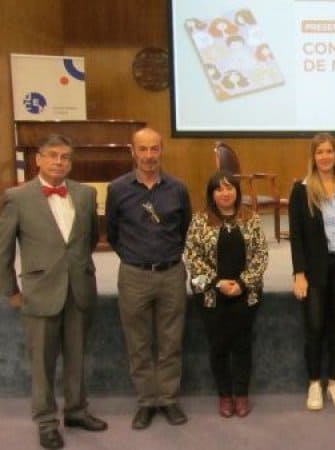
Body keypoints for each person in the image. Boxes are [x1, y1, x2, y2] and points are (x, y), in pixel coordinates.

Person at [0, 134, 107, 449]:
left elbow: (90, 239)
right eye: (53, 155)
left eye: (65, 156)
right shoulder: (17, 197)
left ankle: (76, 411)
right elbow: (1, 249)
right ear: (38, 159)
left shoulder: (85, 195)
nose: (59, 162)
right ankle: (45, 422)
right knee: (42, 363)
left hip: (79, 288)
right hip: (40, 292)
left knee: (76, 356)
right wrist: (10, 290)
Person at [105, 127, 192, 430]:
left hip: (171, 273)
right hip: (134, 274)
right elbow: (112, 232)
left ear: (161, 150)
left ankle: (168, 399)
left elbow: (185, 228)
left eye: (154, 148)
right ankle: (146, 401)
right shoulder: (118, 189)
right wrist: (134, 257)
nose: (149, 155)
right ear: (133, 152)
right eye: (142, 149)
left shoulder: (178, 188)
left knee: (171, 341)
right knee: (138, 342)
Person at [288, 132, 335, 411]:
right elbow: (296, 236)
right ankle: (314, 383)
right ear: (313, 156)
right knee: (315, 326)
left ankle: (334, 381)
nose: (324, 156)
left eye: (329, 151)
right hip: (314, 270)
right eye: (319, 152)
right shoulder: (301, 190)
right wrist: (299, 273)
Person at [183, 170, 268, 418]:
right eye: (218, 189)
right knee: (218, 345)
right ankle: (224, 395)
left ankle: (241, 394)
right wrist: (217, 283)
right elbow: (192, 257)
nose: (225, 193)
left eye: (229, 188)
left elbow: (261, 255)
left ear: (237, 191)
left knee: (242, 345)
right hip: (210, 294)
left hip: (245, 293)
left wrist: (242, 283)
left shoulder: (251, 219)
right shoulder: (200, 221)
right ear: (211, 194)